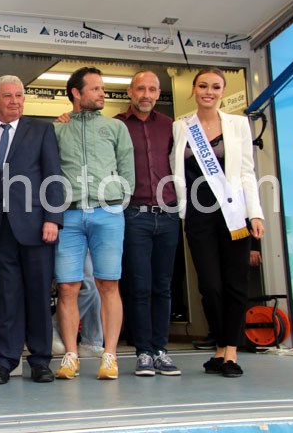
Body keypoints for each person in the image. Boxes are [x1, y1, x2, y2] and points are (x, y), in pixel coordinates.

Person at [171, 67, 264, 378]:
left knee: (236, 283)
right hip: (199, 217)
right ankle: (220, 345)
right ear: (193, 90)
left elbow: (247, 172)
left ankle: (228, 352)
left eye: (215, 87)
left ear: (222, 91)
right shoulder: (181, 127)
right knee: (210, 286)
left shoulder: (238, 125)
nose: (208, 92)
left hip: (234, 215)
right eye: (203, 86)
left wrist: (256, 213)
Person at [0, 75, 63, 385]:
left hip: (36, 227)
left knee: (38, 295)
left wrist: (53, 218)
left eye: (19, 96)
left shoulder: (41, 130)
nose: (14, 101)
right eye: (8, 96)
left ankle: (40, 361)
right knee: (4, 297)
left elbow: (53, 176)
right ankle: (5, 360)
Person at [53, 66, 134, 381]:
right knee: (67, 287)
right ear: (76, 93)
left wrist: (117, 204)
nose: (102, 93)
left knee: (108, 284)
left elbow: (127, 170)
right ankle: (71, 355)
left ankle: (109, 355)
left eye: (103, 88)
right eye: (96, 88)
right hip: (69, 214)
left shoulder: (115, 127)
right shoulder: (57, 129)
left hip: (107, 212)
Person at [114, 71, 181, 377]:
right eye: (140, 88)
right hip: (134, 215)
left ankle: (161, 350)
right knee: (139, 287)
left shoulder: (171, 126)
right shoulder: (116, 125)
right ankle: (143, 352)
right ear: (130, 91)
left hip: (168, 214)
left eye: (152, 89)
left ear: (157, 93)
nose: (146, 94)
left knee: (163, 286)